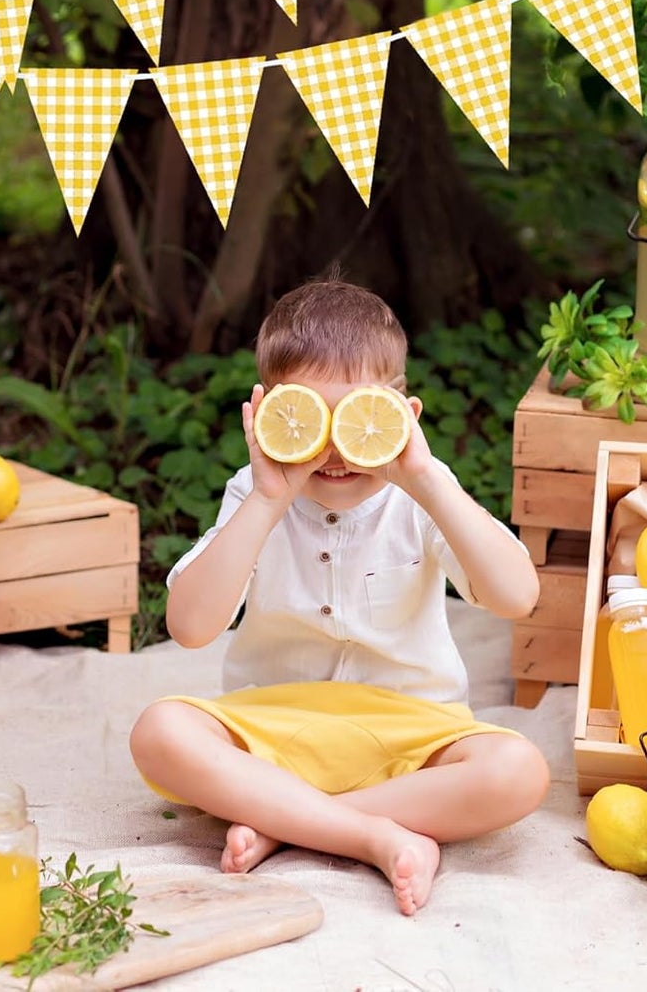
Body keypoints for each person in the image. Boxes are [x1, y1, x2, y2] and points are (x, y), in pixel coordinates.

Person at [129, 276, 550, 916]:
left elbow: (517, 596)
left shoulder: (424, 494)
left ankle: (285, 822)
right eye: (307, 416)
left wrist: (427, 480)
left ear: (402, 415)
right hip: (274, 725)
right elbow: (189, 627)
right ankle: (371, 834)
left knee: (519, 771)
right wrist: (270, 500)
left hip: (413, 734)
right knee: (159, 730)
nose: (331, 450)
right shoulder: (254, 492)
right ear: (269, 413)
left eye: (356, 416)